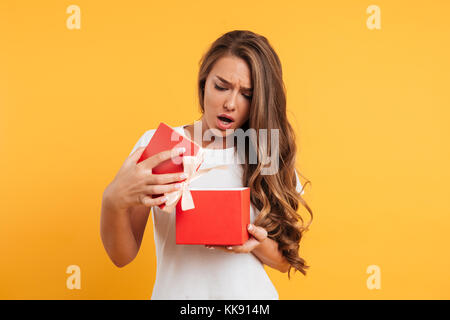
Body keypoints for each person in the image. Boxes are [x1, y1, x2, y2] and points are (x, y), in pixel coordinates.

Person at [100, 30, 313, 300]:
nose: (230, 103)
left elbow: (284, 262)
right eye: (221, 86)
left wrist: (252, 244)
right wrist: (112, 200)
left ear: (260, 100)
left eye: (247, 94)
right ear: (204, 83)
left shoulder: (264, 151)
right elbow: (122, 257)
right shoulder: (163, 145)